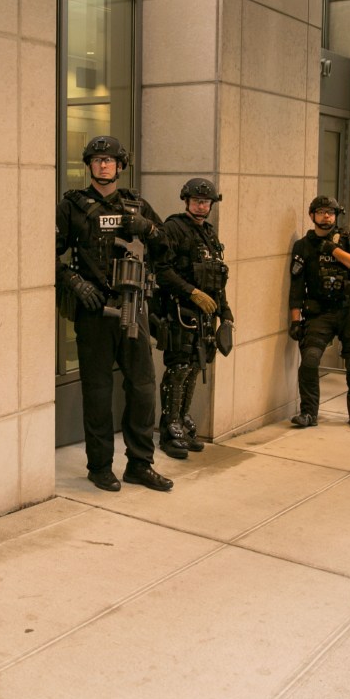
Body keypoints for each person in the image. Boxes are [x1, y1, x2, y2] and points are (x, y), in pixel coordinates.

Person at [56, 136, 174, 493]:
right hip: (95, 311)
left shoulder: (136, 205)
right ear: (89, 165)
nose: (103, 165)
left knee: (143, 388)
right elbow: (47, 252)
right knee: (97, 391)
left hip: (133, 306)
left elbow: (167, 249)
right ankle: (100, 466)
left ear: (120, 166)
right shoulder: (72, 206)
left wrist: (148, 229)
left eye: (109, 160)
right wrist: (75, 283)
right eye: (97, 160)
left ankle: (140, 464)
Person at [153, 177, 234, 458]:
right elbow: (161, 270)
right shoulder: (173, 228)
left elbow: (217, 277)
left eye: (206, 202)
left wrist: (226, 313)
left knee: (195, 367)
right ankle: (169, 427)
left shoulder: (209, 234)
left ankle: (183, 418)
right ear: (186, 201)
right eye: (197, 201)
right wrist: (191, 292)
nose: (201, 206)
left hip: (205, 316)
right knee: (178, 369)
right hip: (180, 312)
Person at [288, 196, 350, 430]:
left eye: (331, 212)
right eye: (321, 212)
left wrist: (334, 250)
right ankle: (308, 413)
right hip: (320, 311)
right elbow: (296, 287)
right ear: (312, 215)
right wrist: (295, 320)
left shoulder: (348, 239)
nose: (326, 216)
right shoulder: (303, 246)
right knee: (309, 361)